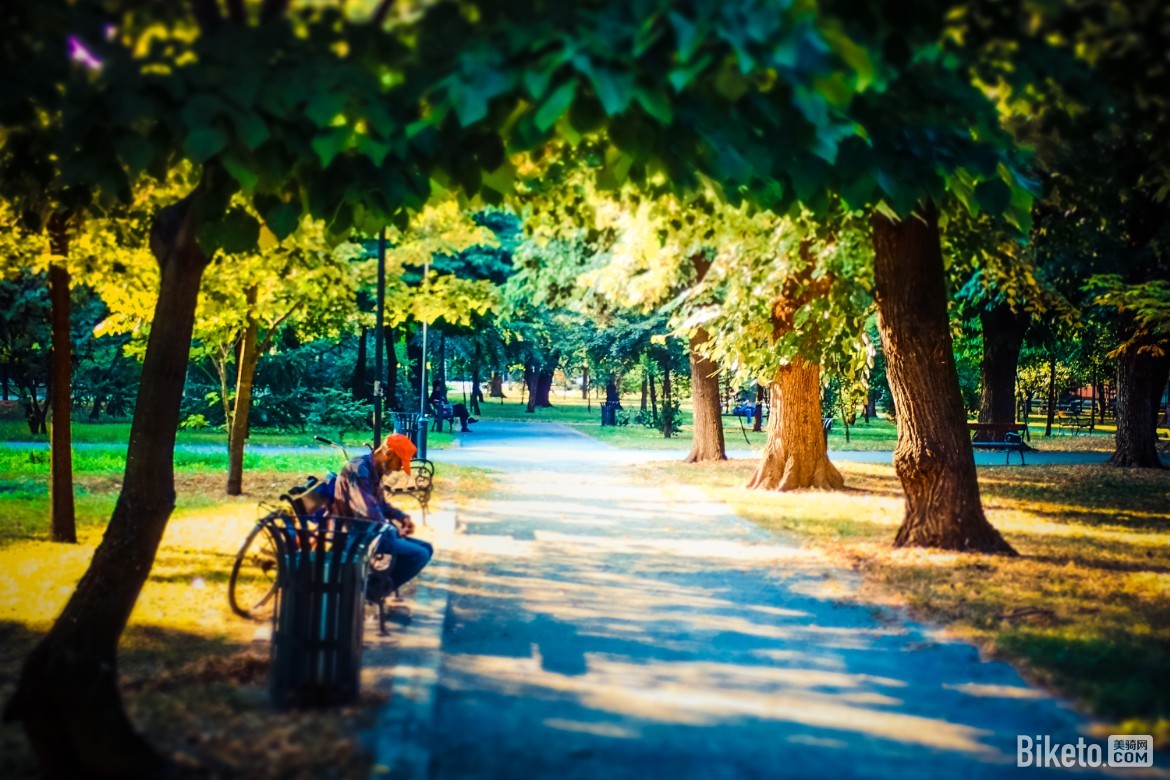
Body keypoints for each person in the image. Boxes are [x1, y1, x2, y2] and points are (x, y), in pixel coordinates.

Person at [331, 433, 433, 597]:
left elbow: (380, 505)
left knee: (426, 548)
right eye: (400, 462)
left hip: (370, 532)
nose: (400, 468)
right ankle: (368, 593)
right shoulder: (358, 470)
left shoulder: (373, 470)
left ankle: (373, 587)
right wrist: (392, 529)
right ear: (389, 454)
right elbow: (368, 511)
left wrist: (401, 517)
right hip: (355, 535)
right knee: (419, 554)